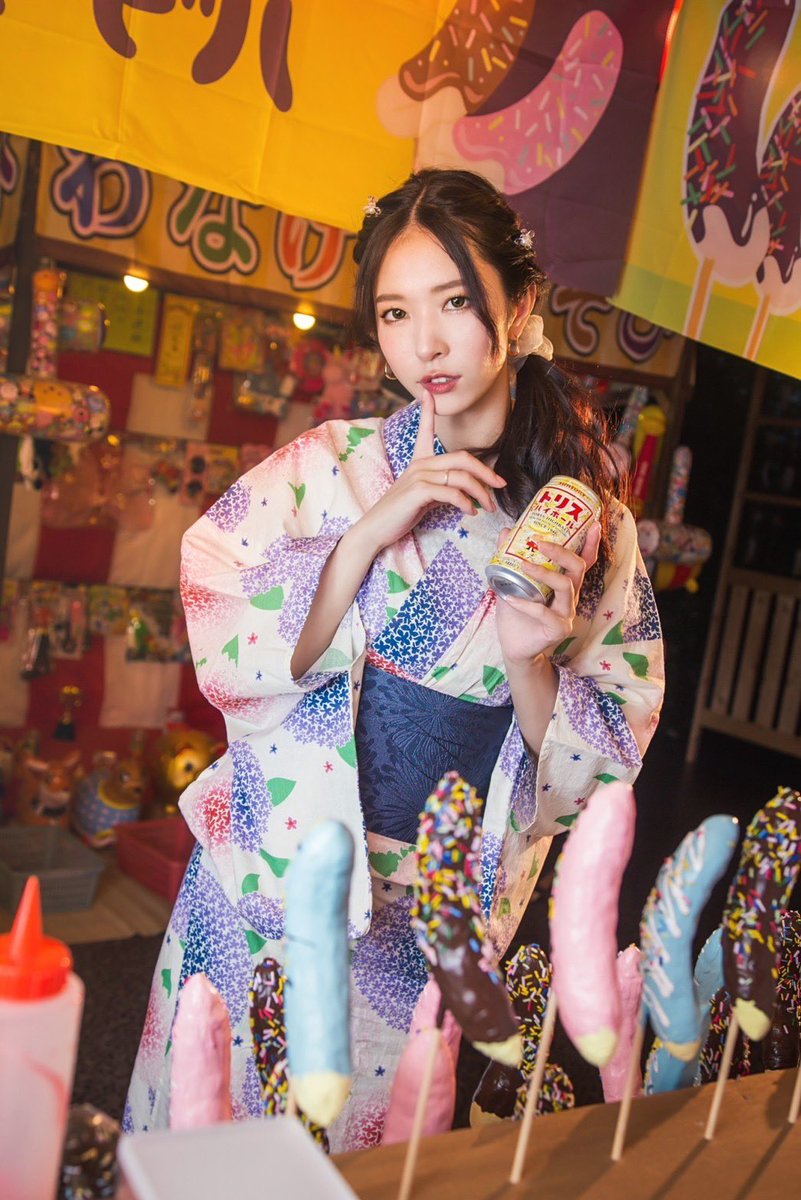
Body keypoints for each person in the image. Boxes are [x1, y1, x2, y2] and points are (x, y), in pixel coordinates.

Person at [125, 168, 664, 1150]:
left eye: (455, 303)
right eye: (394, 312)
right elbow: (217, 601)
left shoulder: (592, 531)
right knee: (207, 1127)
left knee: (369, 1159)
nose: (425, 344)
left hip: (424, 922)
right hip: (268, 877)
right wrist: (363, 538)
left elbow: (601, 775)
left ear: (521, 304)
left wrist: (532, 662)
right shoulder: (331, 465)